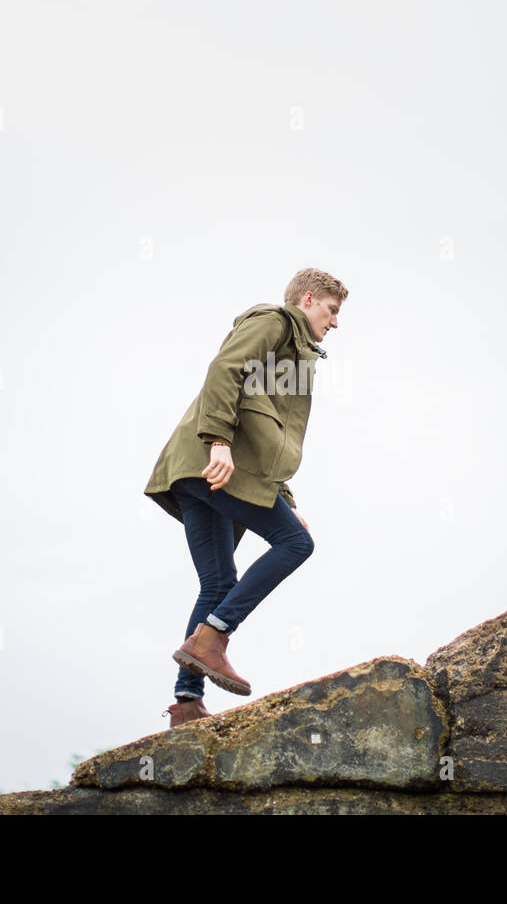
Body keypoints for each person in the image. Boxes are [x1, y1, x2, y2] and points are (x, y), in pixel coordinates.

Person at [144, 267, 349, 727]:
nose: (335, 323)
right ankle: (214, 637)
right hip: (213, 462)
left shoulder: (297, 356)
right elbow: (225, 369)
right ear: (309, 299)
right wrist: (217, 440)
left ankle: (186, 703)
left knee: (218, 584)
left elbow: (265, 436)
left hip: (199, 468)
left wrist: (287, 502)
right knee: (296, 544)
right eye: (332, 312)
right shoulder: (274, 322)